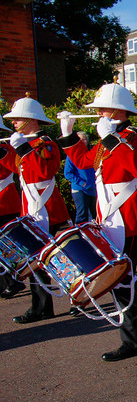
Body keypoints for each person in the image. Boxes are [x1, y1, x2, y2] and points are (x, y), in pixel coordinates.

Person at [57, 83, 137, 361]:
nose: (98, 112)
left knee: (124, 280)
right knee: (118, 283)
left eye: (102, 108)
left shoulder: (135, 137)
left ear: (120, 111)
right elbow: (85, 161)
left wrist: (113, 139)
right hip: (109, 218)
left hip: (129, 217)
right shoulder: (106, 137)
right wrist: (68, 136)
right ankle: (134, 338)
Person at [2, 95, 71, 324]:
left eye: (17, 118)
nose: (13, 122)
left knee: (55, 261)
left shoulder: (45, 143)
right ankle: (41, 307)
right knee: (35, 261)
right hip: (31, 205)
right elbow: (14, 169)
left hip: (47, 206)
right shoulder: (26, 143)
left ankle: (72, 302)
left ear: (30, 120)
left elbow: (43, 171)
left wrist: (22, 148)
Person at [0, 116, 25, 299]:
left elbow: (15, 168)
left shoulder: (4, 149)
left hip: (5, 204)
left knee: (8, 247)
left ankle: (13, 281)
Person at [64, 131, 97, 224]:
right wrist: (82, 183)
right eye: (80, 140)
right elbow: (68, 173)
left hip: (93, 188)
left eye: (84, 139)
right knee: (82, 214)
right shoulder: (72, 156)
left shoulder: (92, 153)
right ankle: (79, 235)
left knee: (96, 214)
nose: (83, 141)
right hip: (79, 189)